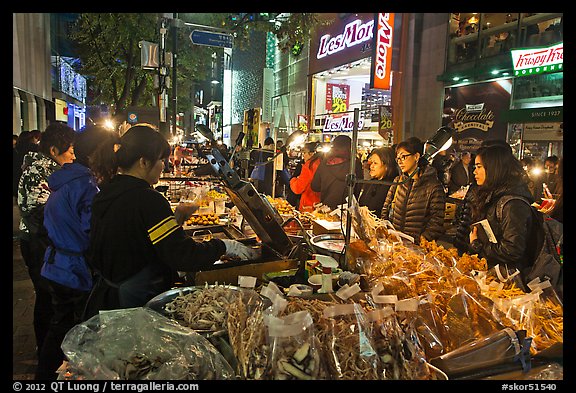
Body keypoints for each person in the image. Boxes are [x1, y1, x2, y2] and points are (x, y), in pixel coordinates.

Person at [82, 125, 259, 320]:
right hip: (136, 304)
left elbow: (133, 238)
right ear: (143, 162)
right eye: (161, 160)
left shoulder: (107, 192)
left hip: (108, 298)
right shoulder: (147, 199)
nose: (165, 166)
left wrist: (175, 220)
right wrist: (224, 246)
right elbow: (181, 255)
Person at [35, 125, 119, 380]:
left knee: (60, 326)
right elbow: (91, 233)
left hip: (57, 265)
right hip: (72, 271)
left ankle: (46, 373)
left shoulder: (66, 179)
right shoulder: (86, 185)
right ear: (98, 152)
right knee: (72, 331)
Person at [17, 123, 76, 357]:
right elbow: (38, 212)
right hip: (37, 243)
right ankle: (45, 349)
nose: (73, 155)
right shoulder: (39, 171)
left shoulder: (51, 170)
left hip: (47, 241)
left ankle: (48, 347)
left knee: (50, 295)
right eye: (70, 150)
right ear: (53, 150)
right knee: (46, 295)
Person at [468, 144, 538, 276]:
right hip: (492, 273)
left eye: (479, 167)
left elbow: (512, 250)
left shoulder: (513, 204)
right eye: (474, 167)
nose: (474, 172)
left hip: (509, 279)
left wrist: (477, 245)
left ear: (494, 169)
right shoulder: (492, 195)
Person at [381, 137, 446, 243]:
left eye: (404, 157)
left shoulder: (434, 187)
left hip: (417, 249)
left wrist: (419, 241)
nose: (400, 162)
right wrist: (388, 232)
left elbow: (436, 223)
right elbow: (385, 209)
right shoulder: (398, 181)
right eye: (398, 158)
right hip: (395, 243)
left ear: (416, 156)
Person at [311, 135, 363, 210]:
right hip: (347, 211)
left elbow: (315, 186)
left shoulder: (325, 162)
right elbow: (358, 187)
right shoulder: (355, 164)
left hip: (327, 209)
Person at [357, 146, 399, 215]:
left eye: (375, 163)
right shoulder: (370, 183)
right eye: (371, 163)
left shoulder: (393, 186)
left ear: (386, 166)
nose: (371, 166)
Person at [289, 142, 321, 211]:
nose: (303, 156)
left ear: (312, 153)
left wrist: (293, 180)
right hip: (320, 203)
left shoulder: (309, 166)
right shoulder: (322, 163)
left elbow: (298, 188)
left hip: (309, 204)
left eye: (304, 153)